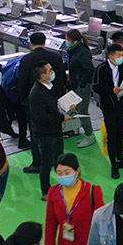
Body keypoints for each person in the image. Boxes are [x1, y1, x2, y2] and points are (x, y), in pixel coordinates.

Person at [45, 154, 104, 245]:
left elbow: (103, 224)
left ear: (77, 171)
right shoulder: (53, 192)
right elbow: (50, 224)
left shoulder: (92, 191)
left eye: (67, 172)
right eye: (59, 173)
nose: (63, 176)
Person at [18, 32, 67, 172]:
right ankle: (58, 162)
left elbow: (22, 81)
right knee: (56, 129)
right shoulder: (55, 57)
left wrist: (23, 99)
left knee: (35, 133)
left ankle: (37, 163)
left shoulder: (26, 59)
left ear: (30, 43)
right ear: (45, 42)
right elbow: (62, 78)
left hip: (33, 102)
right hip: (54, 98)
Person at [29, 63, 75, 199]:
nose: (53, 72)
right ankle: (45, 191)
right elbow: (41, 117)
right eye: (50, 70)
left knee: (59, 160)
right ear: (43, 76)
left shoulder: (49, 87)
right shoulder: (37, 94)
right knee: (46, 163)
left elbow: (53, 107)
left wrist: (66, 107)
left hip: (55, 131)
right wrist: (61, 117)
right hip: (45, 134)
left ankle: (64, 184)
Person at [92, 44, 123, 179]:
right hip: (108, 107)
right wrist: (111, 90)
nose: (121, 57)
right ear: (111, 57)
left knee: (120, 133)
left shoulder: (122, 67)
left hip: (120, 105)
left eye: (122, 55)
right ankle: (114, 165)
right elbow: (96, 87)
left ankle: (120, 159)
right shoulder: (101, 69)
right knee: (112, 136)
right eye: (119, 55)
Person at [60, 29, 96, 147]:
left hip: (83, 87)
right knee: (78, 110)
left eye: (67, 39)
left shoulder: (82, 52)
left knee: (82, 111)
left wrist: (81, 82)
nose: (66, 42)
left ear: (73, 40)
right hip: (76, 85)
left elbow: (89, 70)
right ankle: (87, 133)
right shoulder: (73, 50)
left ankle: (90, 135)